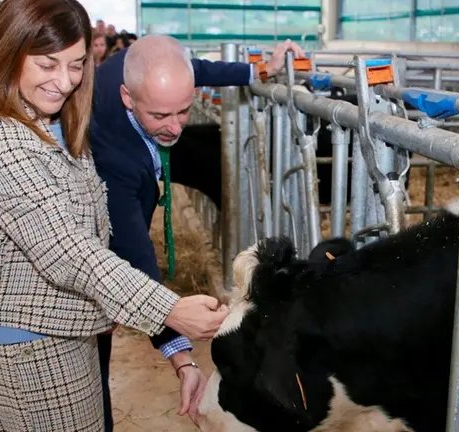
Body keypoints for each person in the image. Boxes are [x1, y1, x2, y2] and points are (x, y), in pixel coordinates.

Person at [0, 0, 229, 430]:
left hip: (65, 327)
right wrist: (170, 310)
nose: (65, 81)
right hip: (29, 343)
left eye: (76, 64)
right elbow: (66, 251)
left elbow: (100, 233)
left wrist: (178, 354)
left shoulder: (57, 122)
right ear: (9, 53)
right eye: (47, 64)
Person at [89, 34, 304, 427]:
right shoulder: (113, 153)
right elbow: (137, 254)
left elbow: (196, 69)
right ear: (127, 97)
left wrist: (257, 70)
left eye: (184, 110)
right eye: (160, 116)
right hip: (91, 247)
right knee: (92, 355)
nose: (175, 128)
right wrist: (178, 347)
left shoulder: (143, 67)